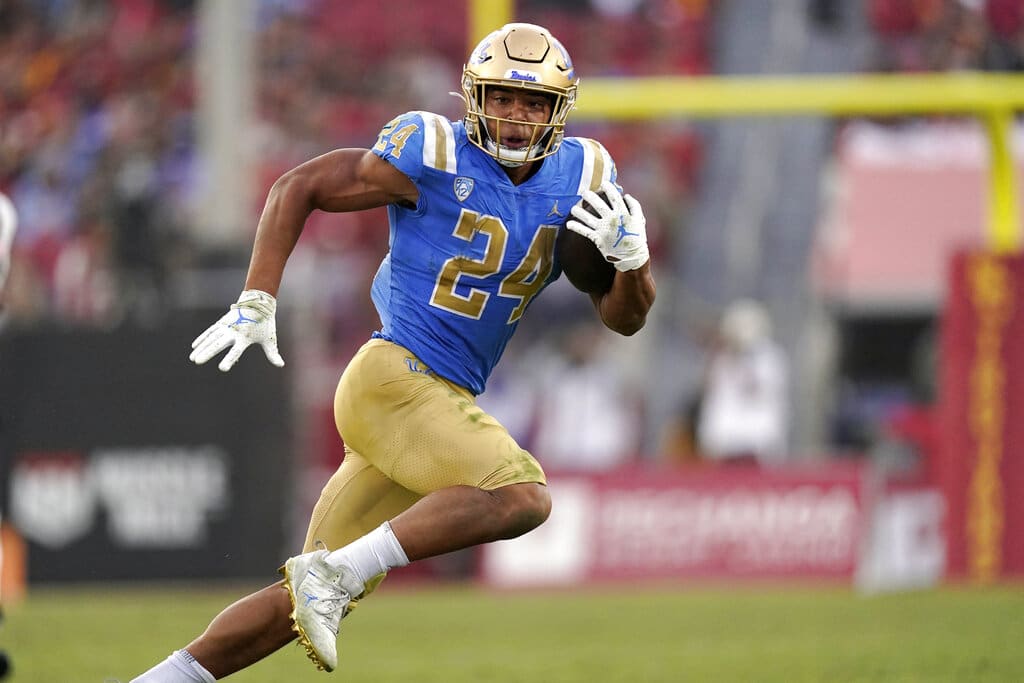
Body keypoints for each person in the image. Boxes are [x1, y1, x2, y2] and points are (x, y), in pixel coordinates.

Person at [130, 22, 655, 682]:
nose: (515, 117)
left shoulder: (585, 176)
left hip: (434, 405)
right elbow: (300, 185)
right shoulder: (434, 149)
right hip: (394, 378)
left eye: (532, 103)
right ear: (474, 97)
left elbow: (625, 318)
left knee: (302, 602)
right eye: (500, 98)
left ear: (558, 110)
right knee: (523, 493)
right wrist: (258, 297)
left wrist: (633, 261)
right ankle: (335, 573)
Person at [696, 298, 789, 465]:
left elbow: (758, 388)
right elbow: (709, 390)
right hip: (724, 443)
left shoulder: (770, 357)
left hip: (757, 442)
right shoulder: (721, 358)